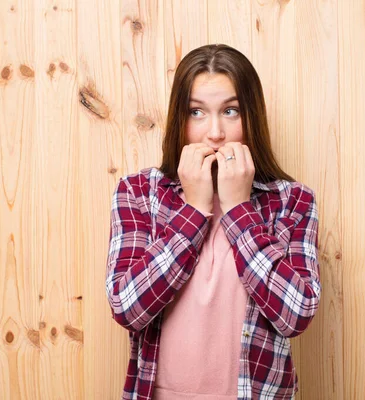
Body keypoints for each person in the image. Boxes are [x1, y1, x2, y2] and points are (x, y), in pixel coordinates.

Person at [105, 44, 321, 400]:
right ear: (180, 118)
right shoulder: (139, 192)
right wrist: (193, 211)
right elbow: (127, 307)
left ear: (252, 116)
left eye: (231, 111)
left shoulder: (293, 201)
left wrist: (238, 211)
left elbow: (296, 315)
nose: (216, 132)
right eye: (197, 112)